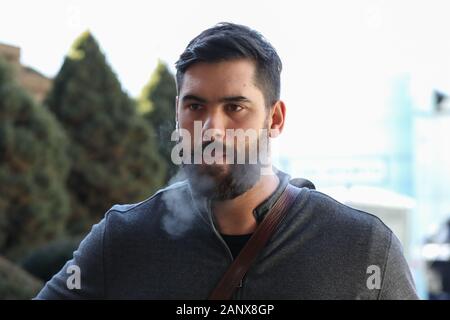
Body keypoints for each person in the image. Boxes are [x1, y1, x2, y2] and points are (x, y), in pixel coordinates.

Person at [36, 22, 418, 299]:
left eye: (235, 106)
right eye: (195, 106)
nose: (211, 129)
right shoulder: (122, 240)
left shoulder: (362, 248)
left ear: (275, 118)